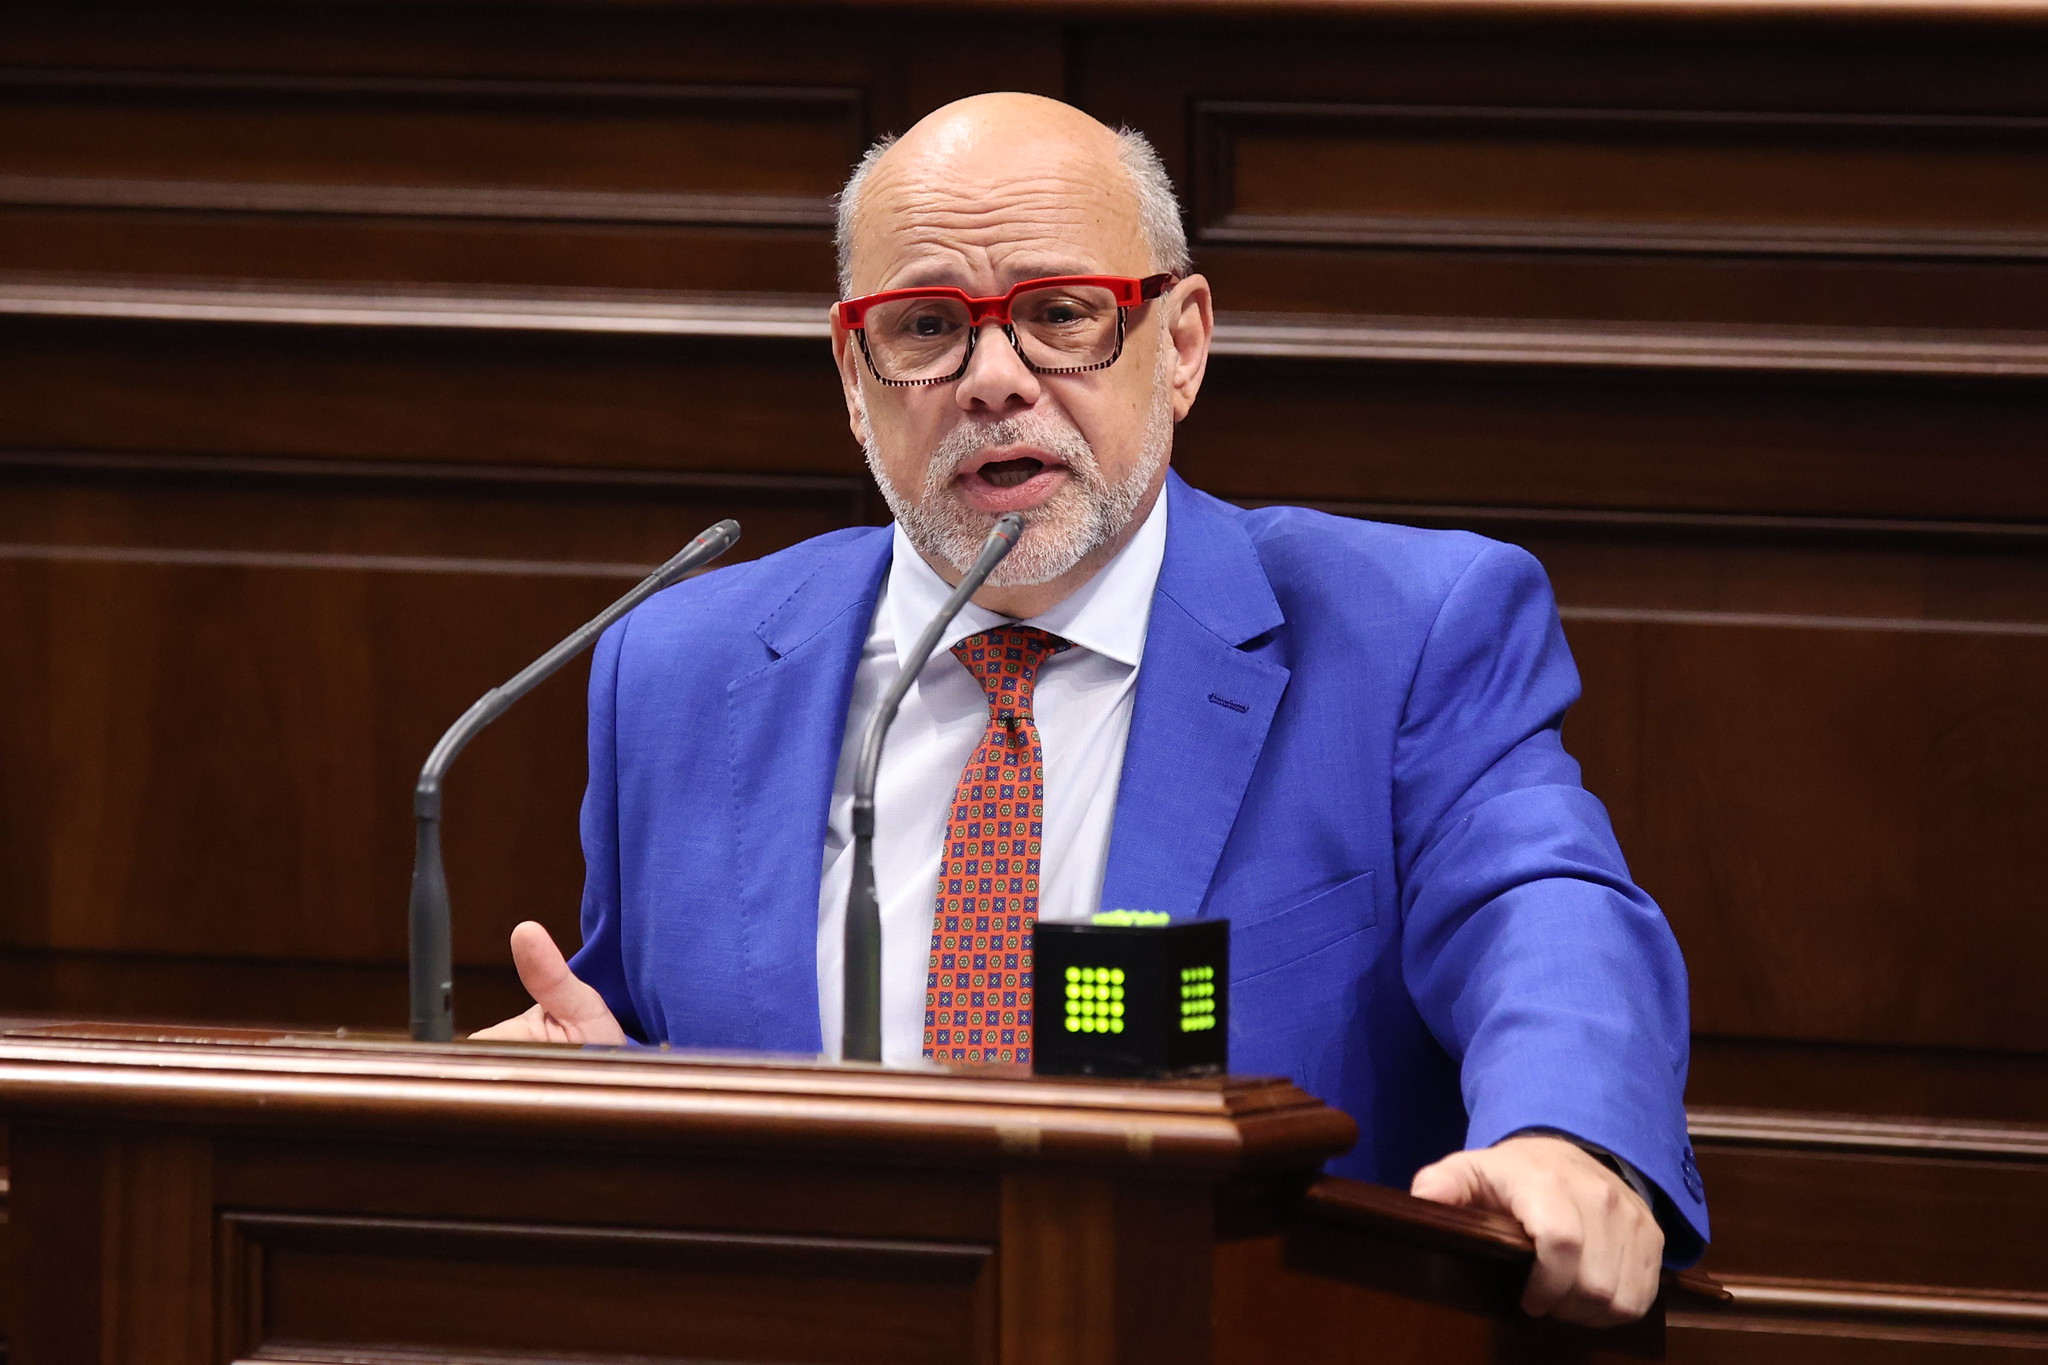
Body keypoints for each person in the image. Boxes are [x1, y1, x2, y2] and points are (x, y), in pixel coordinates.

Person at [474, 92, 1708, 1325]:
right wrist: (557, 1097)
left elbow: (1540, 910)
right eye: (924, 327)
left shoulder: (1402, 631)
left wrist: (1564, 1134)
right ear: (854, 378)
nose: (993, 381)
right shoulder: (680, 666)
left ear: (1178, 344)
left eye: (1060, 315)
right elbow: (631, 1036)